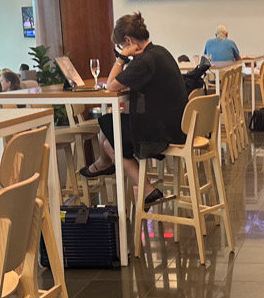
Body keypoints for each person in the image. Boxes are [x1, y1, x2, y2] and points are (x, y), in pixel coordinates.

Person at [77, 12, 186, 207]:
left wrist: (121, 58)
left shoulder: (144, 61)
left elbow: (110, 86)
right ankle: (103, 164)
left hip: (160, 133)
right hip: (176, 125)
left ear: (128, 40)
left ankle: (146, 188)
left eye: (120, 46)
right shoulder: (160, 52)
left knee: (110, 137)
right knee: (108, 125)